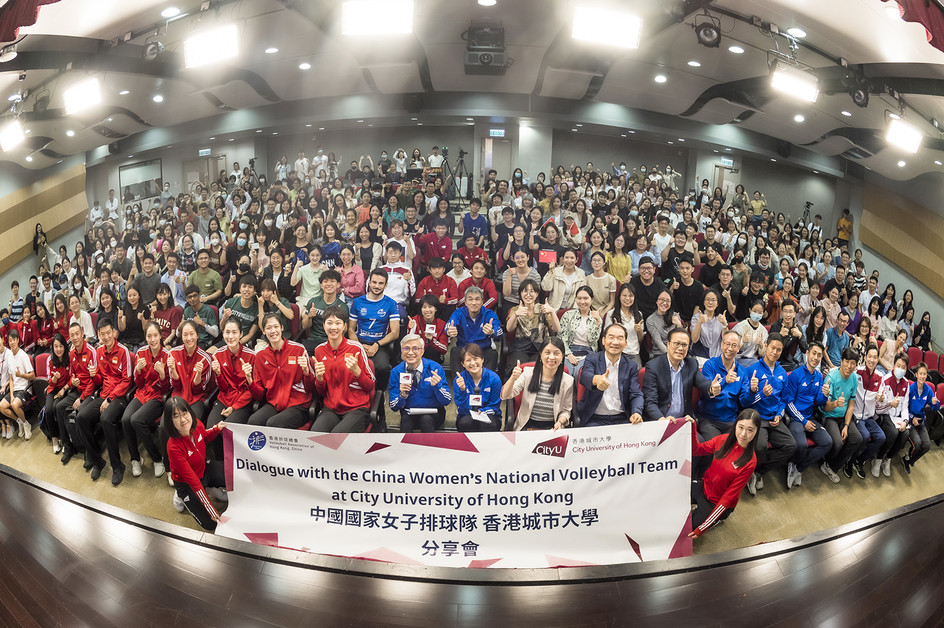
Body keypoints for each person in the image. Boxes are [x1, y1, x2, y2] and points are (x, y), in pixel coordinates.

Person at [75, 318, 132, 485]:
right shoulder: (99, 352)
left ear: (114, 332)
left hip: (119, 397)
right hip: (104, 394)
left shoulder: (123, 351)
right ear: (98, 334)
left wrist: (110, 398)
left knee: (105, 418)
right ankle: (97, 461)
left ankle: (117, 466)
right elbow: (100, 381)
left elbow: (126, 381)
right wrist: (95, 375)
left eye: (109, 333)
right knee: (81, 417)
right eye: (102, 334)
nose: (106, 337)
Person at [687, 409, 760, 538]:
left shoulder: (750, 462)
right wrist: (692, 427)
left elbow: (728, 498)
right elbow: (696, 450)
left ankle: (718, 519)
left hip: (716, 502)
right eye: (741, 427)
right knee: (672, 495)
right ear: (735, 425)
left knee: (685, 529)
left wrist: (702, 528)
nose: (743, 434)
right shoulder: (723, 439)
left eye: (750, 430)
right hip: (704, 486)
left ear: (756, 432)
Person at [737, 333, 794, 495]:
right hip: (757, 419)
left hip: (774, 419)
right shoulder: (752, 370)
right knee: (760, 447)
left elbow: (784, 399)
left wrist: (779, 414)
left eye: (779, 350)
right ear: (766, 346)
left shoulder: (782, 372)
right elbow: (744, 402)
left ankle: (758, 472)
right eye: (772, 348)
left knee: (791, 446)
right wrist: (760, 393)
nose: (775, 352)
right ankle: (751, 473)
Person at [163, 396, 227, 531]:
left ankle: (208, 487)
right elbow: (193, 482)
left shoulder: (197, 424)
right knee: (211, 524)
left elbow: (204, 435)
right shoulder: (173, 447)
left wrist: (216, 428)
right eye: (176, 416)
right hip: (187, 484)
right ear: (170, 421)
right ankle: (180, 497)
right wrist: (211, 510)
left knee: (231, 474)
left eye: (184, 413)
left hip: (203, 468)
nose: (183, 419)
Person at [120, 321, 171, 480]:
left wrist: (162, 375)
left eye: (155, 335)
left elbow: (167, 390)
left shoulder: (167, 356)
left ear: (161, 336)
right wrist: (139, 371)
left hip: (157, 398)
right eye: (149, 336)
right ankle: (136, 458)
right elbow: (139, 384)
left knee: (136, 420)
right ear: (146, 337)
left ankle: (157, 459)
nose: (153, 339)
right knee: (125, 419)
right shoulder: (141, 353)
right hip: (142, 393)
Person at [313, 306, 376, 433]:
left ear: (344, 326)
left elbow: (370, 387)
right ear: (324, 326)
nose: (333, 327)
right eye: (329, 323)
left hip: (356, 408)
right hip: (331, 408)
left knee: (336, 437)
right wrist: (319, 379)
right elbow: (321, 391)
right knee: (315, 435)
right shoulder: (319, 350)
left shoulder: (356, 348)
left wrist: (357, 371)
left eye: (338, 323)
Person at [246, 313, 314, 428]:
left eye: (276, 327)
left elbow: (311, 388)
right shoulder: (261, 356)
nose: (273, 331)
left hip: (298, 404)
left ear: (282, 328)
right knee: (253, 422)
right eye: (268, 328)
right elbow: (259, 395)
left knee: (273, 424)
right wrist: (250, 381)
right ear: (263, 331)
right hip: (274, 403)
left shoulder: (298, 349)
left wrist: (307, 372)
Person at [781, 342, 832, 489]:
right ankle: (793, 465)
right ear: (807, 353)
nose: (816, 358)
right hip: (796, 419)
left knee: (827, 442)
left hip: (811, 417)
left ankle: (798, 467)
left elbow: (819, 402)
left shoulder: (819, 377)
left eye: (819, 355)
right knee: (802, 444)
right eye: (814, 353)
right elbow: (789, 403)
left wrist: (824, 395)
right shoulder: (796, 375)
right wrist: (803, 421)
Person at [643, 329, 717, 421]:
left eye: (684, 345)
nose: (681, 348)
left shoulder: (692, 364)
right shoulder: (653, 367)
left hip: (684, 421)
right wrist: (662, 419)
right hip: (661, 421)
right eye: (677, 343)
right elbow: (650, 402)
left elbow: (702, 382)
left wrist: (711, 388)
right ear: (668, 344)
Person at [577, 324, 644, 426]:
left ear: (625, 343)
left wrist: (636, 412)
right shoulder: (592, 359)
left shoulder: (631, 366)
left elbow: (636, 393)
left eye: (620, 338)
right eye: (611, 337)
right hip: (594, 418)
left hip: (622, 418)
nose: (615, 342)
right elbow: (585, 377)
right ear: (603, 340)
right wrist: (597, 379)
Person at [501, 338, 574, 431]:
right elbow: (505, 395)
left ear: (562, 356)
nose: (551, 357)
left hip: (552, 429)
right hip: (527, 426)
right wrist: (512, 378)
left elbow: (566, 411)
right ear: (540, 355)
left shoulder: (568, 381)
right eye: (547, 353)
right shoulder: (528, 373)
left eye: (556, 353)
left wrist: (559, 422)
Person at [388, 334, 451, 432]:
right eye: (406, 348)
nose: (410, 352)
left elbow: (446, 401)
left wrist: (437, 387)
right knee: (405, 421)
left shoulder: (435, 368)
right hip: (410, 412)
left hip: (434, 412)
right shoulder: (396, 371)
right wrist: (402, 395)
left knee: (426, 419)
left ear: (422, 351)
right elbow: (393, 406)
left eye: (415, 348)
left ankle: (429, 446)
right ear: (401, 350)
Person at [819, 349, 864, 484]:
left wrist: (846, 425)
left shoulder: (854, 378)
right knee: (837, 443)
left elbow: (851, 405)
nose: (849, 366)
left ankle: (832, 466)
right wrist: (835, 404)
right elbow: (825, 407)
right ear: (842, 361)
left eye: (853, 363)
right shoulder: (831, 377)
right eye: (847, 362)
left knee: (857, 438)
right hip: (829, 416)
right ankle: (826, 462)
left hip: (843, 417)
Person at [55, 323, 98, 464]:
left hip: (91, 392)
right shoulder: (71, 353)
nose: (74, 337)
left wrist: (82, 398)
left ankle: (88, 451)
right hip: (78, 391)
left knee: (81, 413)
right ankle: (68, 447)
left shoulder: (91, 351)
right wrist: (73, 381)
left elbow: (95, 380)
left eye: (77, 334)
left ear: (82, 333)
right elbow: (73, 375)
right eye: (72, 335)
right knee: (59, 407)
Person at [697, 330, 746, 440]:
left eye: (734, 345)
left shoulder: (742, 371)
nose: (730, 348)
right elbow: (709, 391)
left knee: (735, 448)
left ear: (738, 348)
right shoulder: (710, 365)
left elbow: (744, 400)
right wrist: (725, 381)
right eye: (727, 344)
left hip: (731, 420)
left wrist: (753, 391)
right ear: (722, 344)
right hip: (709, 419)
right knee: (716, 447)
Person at [446, 285, 503, 376]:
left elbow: (499, 331)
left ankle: (485, 385)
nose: (474, 303)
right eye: (470, 299)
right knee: (455, 351)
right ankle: (460, 385)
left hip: (482, 350)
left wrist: (492, 331)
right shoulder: (459, 312)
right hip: (464, 349)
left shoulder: (489, 314)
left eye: (477, 299)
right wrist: (449, 330)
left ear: (482, 302)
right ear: (465, 302)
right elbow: (449, 325)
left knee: (492, 354)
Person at [849, 345, 887, 479]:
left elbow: (883, 397)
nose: (872, 360)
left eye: (875, 357)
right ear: (865, 358)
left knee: (881, 437)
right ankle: (850, 461)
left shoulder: (880, 376)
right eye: (869, 356)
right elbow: (843, 372)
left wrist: (882, 399)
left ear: (878, 360)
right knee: (864, 436)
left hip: (870, 417)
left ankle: (859, 460)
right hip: (857, 415)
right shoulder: (857, 372)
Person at [167, 320, 214, 423]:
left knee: (191, 426)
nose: (189, 338)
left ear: (197, 335)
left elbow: (198, 390)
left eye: (192, 334)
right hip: (178, 397)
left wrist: (198, 374)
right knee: (165, 427)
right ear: (181, 337)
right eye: (185, 335)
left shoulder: (205, 358)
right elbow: (176, 387)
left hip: (197, 399)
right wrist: (173, 370)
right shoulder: (173, 354)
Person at [874, 353, 911, 476]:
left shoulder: (906, 384)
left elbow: (905, 407)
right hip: (885, 415)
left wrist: (905, 421)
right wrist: (890, 403)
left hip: (898, 418)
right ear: (893, 365)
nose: (900, 369)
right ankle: (878, 459)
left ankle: (888, 458)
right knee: (893, 433)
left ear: (906, 369)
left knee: (905, 433)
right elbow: (880, 404)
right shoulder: (885, 380)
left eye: (903, 367)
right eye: (898, 365)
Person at [454, 344, 503, 432]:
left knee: (488, 424)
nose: (473, 363)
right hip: (467, 415)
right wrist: (462, 390)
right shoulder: (459, 380)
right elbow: (461, 410)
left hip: (489, 416)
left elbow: (494, 406)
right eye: (468, 360)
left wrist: (482, 411)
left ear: (482, 359)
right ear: (463, 364)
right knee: (465, 423)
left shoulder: (494, 379)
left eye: (476, 358)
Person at [901, 362, 940, 474]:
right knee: (917, 443)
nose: (922, 376)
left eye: (925, 374)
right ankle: (908, 458)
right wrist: (911, 418)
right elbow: (904, 407)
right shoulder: (911, 388)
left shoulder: (928, 390)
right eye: (920, 374)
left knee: (927, 445)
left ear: (927, 375)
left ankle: (909, 459)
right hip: (910, 421)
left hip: (921, 421)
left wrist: (935, 403)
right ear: (916, 374)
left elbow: (935, 406)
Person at [0, 330, 35, 439]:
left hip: (25, 389)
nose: (12, 342)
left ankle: (26, 424)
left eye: (14, 340)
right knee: (2, 406)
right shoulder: (10, 357)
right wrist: (10, 395)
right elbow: (11, 378)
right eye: (10, 340)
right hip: (14, 390)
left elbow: (32, 376)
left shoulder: (23, 356)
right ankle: (19, 421)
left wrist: (21, 375)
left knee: (14, 405)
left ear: (18, 340)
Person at [41, 334, 70, 452]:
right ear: (52, 347)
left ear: (64, 346)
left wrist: (64, 388)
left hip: (65, 389)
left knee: (55, 407)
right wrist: (54, 379)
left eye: (61, 346)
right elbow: (49, 383)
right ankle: (54, 438)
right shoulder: (50, 359)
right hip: (53, 389)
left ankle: (63, 438)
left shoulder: (69, 358)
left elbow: (71, 378)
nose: (58, 349)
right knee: (48, 409)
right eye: (55, 346)